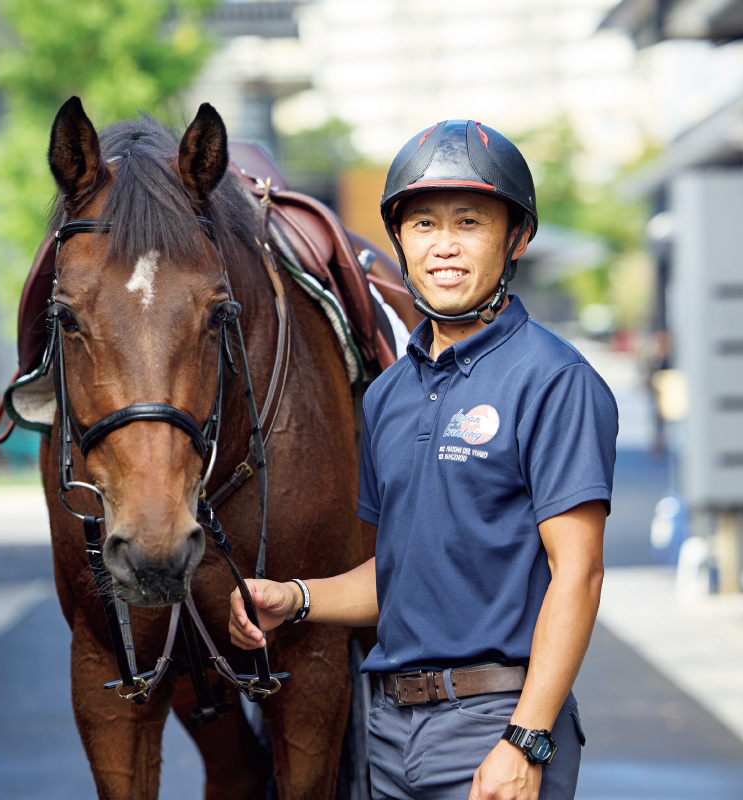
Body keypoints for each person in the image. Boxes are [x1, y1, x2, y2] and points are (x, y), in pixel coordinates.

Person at [229, 119, 618, 800]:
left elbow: (578, 572)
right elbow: (401, 575)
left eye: (469, 222)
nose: (444, 246)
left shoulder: (554, 379)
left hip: (494, 722)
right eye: (423, 225)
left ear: (515, 238)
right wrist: (295, 599)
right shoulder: (388, 395)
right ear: (401, 243)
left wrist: (526, 739)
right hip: (387, 732)